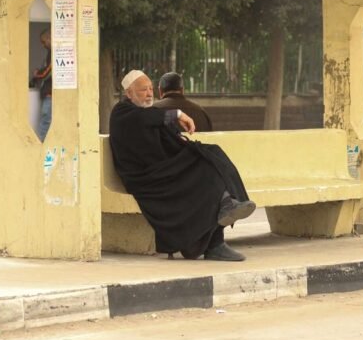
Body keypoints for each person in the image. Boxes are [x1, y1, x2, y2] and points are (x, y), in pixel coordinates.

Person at [109, 69, 255, 262]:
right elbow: (145, 120)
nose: (149, 93)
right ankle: (211, 243)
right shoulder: (122, 113)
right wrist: (177, 114)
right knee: (206, 172)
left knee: (211, 156)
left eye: (151, 88)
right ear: (129, 93)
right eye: (143, 90)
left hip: (164, 170)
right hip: (145, 178)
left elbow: (168, 141)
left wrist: (189, 147)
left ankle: (228, 210)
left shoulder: (148, 112)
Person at [31, 29, 52, 141]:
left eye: (44, 42)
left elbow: (47, 72)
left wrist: (37, 74)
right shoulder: (50, 52)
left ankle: (39, 146)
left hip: (50, 95)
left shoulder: (56, 51)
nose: (43, 45)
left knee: (45, 122)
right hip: (48, 94)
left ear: (50, 38)